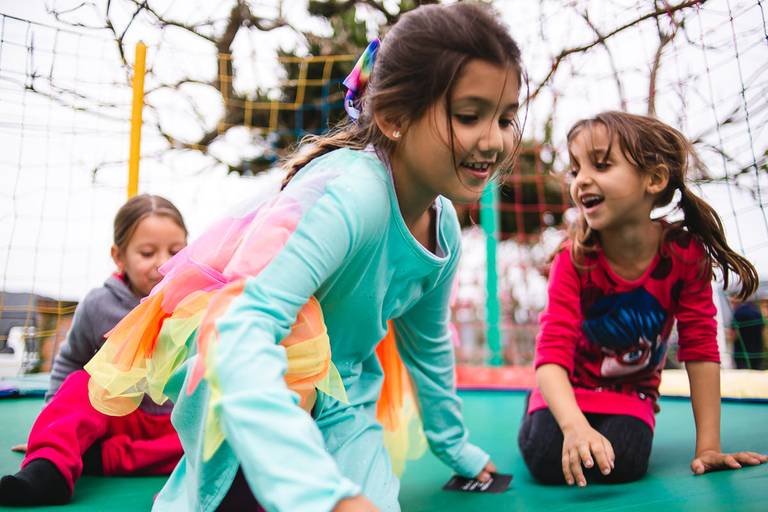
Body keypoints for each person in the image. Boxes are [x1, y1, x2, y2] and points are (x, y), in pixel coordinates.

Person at [83, 3, 522, 511]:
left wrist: (455, 446)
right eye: (469, 116)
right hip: (244, 372)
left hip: (344, 395)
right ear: (394, 119)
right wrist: (324, 496)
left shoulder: (444, 232)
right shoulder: (355, 197)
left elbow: (427, 346)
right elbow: (239, 330)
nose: (494, 141)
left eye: (505, 118)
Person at [518, 111, 768, 488]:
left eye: (601, 165)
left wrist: (708, 447)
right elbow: (552, 352)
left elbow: (700, 347)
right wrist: (573, 426)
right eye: (576, 169)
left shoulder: (684, 255)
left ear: (654, 179)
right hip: (570, 385)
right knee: (547, 456)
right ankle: (539, 403)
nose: (581, 179)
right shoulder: (573, 259)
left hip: (627, 395)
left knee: (624, 463)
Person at [0, 194, 188, 506]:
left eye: (176, 251)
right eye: (147, 253)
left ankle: (99, 459)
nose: (163, 263)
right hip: (121, 415)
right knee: (83, 383)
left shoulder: (194, 300)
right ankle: (50, 467)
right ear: (119, 257)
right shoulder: (99, 304)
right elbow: (69, 364)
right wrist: (53, 430)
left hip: (177, 425)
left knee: (217, 436)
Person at [730, 300, 765, 370]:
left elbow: (733, 335)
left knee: (743, 375)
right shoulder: (757, 312)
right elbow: (762, 330)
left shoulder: (738, 312)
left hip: (742, 355)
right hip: (757, 354)